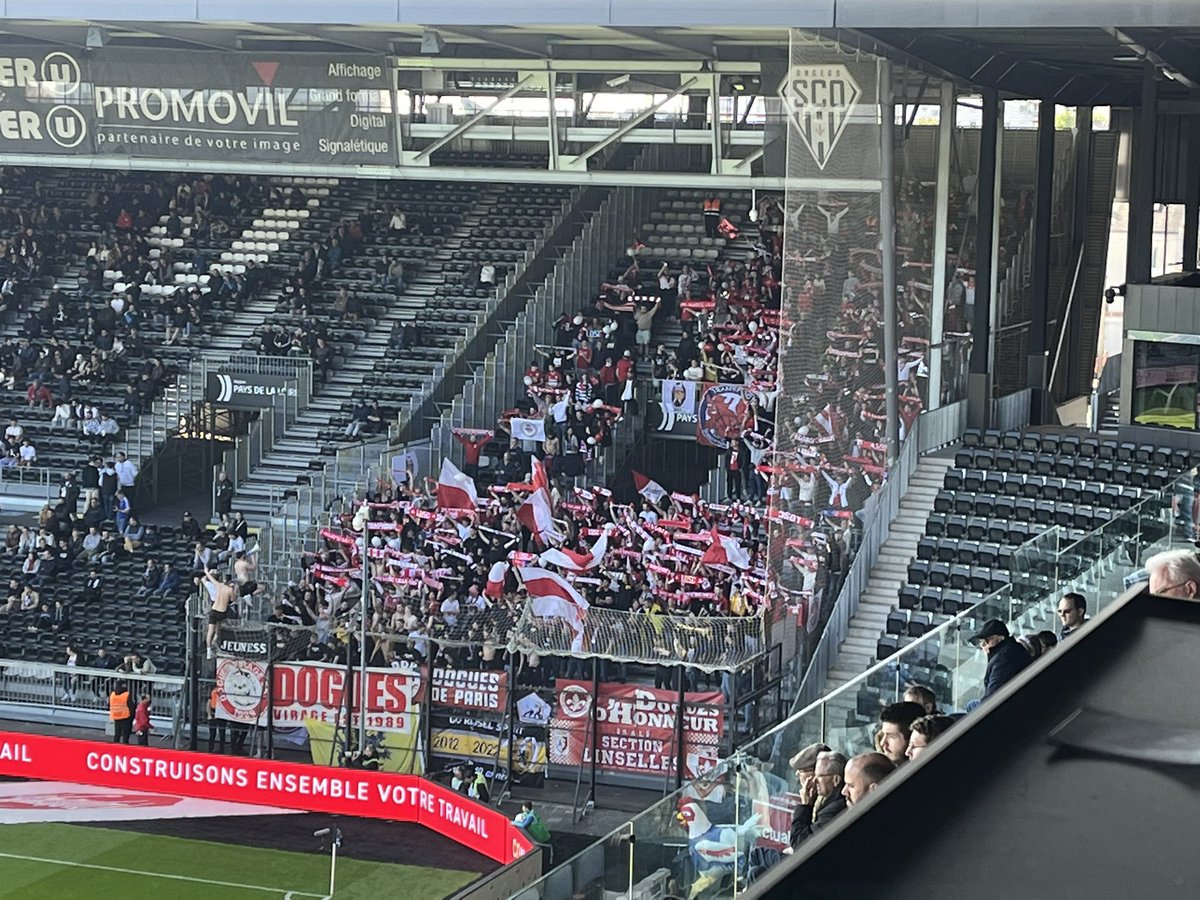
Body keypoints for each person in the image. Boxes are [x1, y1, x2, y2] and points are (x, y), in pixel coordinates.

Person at [970, 619, 1031, 700]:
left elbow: (993, 695)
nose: (983, 645)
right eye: (981, 641)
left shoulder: (1004, 659)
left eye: (986, 640)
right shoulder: (1011, 649)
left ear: (1000, 639)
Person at [203, 568, 235, 659]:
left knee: (210, 631)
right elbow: (233, 600)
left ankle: (208, 651)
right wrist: (233, 588)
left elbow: (210, 578)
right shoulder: (230, 590)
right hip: (221, 612)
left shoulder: (218, 585)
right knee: (218, 627)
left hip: (213, 611)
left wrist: (206, 571)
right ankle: (216, 638)